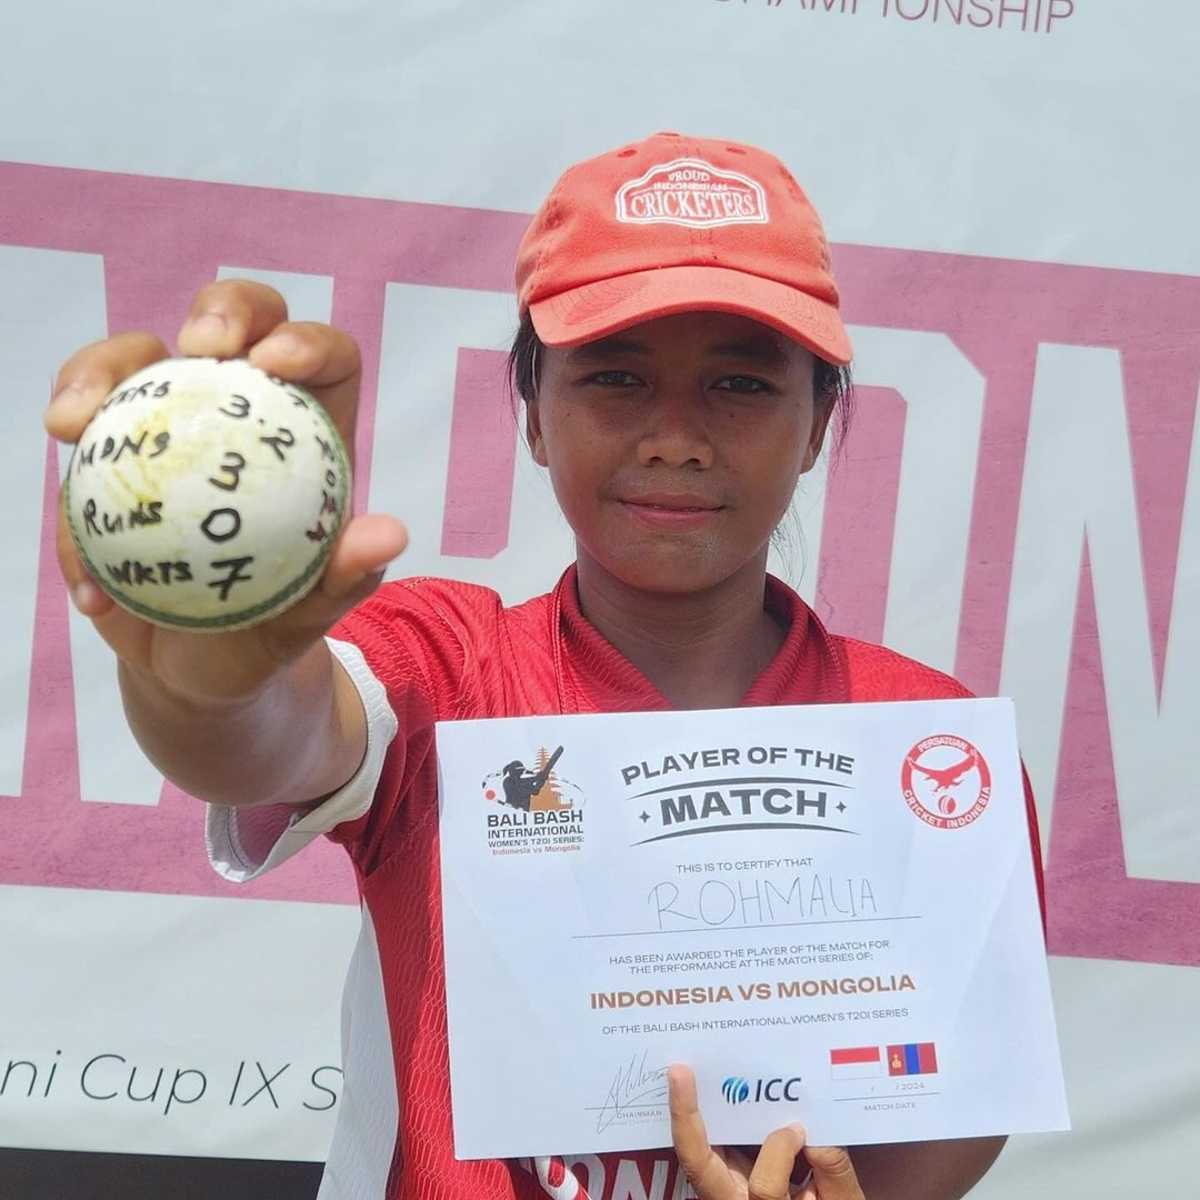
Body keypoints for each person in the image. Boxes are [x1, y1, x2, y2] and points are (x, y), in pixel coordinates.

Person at [47, 131, 1044, 1200]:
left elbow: (959, 1099)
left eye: (741, 384)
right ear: (531, 412)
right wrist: (209, 667)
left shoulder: (926, 742)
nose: (675, 436)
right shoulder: (445, 666)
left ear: (817, 424)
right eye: (615, 377)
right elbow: (267, 738)